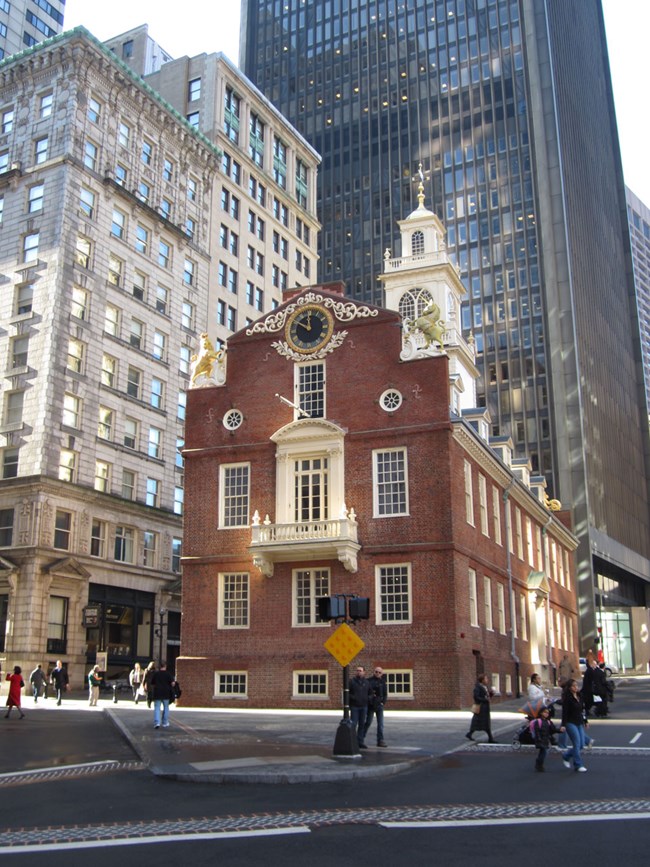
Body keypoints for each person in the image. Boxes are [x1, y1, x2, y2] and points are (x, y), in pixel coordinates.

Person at [560, 678, 592, 772]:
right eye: (573, 686)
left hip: (579, 722)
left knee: (581, 745)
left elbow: (583, 710)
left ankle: (566, 755)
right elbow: (564, 713)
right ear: (569, 688)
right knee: (577, 743)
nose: (576, 687)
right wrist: (563, 725)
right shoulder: (567, 698)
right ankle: (578, 765)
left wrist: (585, 721)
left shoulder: (579, 696)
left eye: (576, 685)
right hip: (570, 722)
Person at [466, 674, 496, 743]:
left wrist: (491, 694)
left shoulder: (485, 687)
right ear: (482, 680)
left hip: (485, 708)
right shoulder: (478, 688)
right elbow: (476, 697)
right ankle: (490, 738)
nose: (487, 680)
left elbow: (487, 696)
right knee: (481, 722)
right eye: (486, 679)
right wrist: (485, 700)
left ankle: (470, 734)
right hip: (480, 708)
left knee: (484, 723)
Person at [363, 666, 388, 747]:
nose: (377, 673)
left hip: (379, 705)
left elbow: (385, 694)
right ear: (374, 672)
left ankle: (380, 740)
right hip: (371, 705)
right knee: (368, 722)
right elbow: (366, 692)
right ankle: (360, 738)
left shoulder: (383, 682)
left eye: (379, 672)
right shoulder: (369, 681)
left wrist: (382, 703)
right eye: (376, 672)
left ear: (382, 674)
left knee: (380, 724)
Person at [349, 665, 372, 749]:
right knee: (353, 724)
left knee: (362, 724)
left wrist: (368, 698)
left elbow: (370, 693)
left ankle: (360, 741)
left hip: (364, 706)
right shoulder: (352, 682)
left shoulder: (367, 682)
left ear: (364, 672)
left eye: (360, 670)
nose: (358, 672)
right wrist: (353, 698)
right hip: (354, 706)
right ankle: (352, 741)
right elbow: (347, 692)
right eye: (357, 670)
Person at [530, 705, 558, 772]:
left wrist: (560, 730)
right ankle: (539, 764)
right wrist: (538, 738)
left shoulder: (548, 722)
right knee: (544, 751)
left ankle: (539, 763)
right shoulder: (538, 721)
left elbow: (553, 729)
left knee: (543, 752)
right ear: (541, 713)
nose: (546, 714)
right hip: (540, 739)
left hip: (546, 739)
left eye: (547, 713)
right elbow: (537, 731)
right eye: (545, 712)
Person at [150, 661, 176, 729]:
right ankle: (165, 722)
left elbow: (152, 683)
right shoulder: (168, 674)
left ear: (159, 667)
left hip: (157, 692)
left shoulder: (156, 674)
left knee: (157, 708)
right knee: (166, 707)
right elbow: (173, 683)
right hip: (166, 693)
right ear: (165, 666)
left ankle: (157, 722)